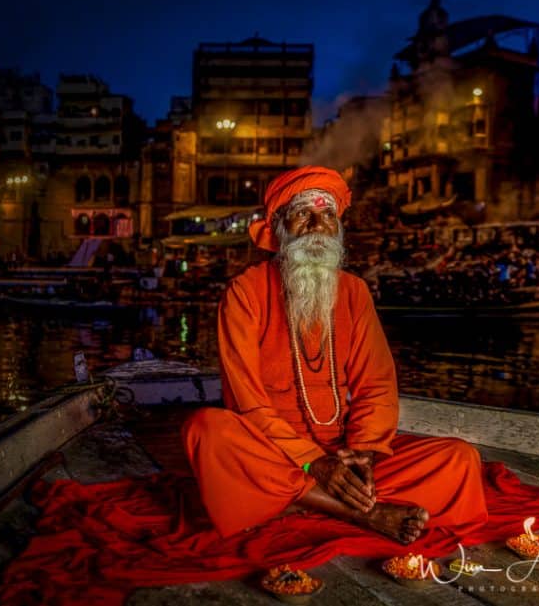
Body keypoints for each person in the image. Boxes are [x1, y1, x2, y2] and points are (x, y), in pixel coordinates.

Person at [182, 166, 487, 542]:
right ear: (279, 227)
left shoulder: (354, 292)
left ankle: (301, 500)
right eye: (302, 214)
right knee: (207, 431)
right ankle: (364, 512)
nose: (316, 225)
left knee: (459, 459)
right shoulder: (245, 292)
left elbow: (376, 384)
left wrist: (363, 454)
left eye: (327, 215)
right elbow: (246, 402)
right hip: (272, 452)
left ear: (338, 229)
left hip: (341, 450)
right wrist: (314, 462)